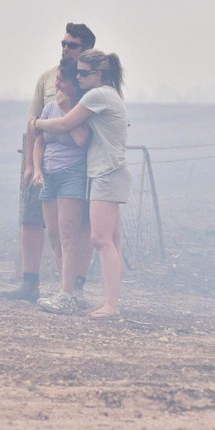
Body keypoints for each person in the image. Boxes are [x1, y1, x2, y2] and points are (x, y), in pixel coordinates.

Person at [1, 23, 96, 303]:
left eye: (73, 45)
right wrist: (31, 166)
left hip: (79, 166)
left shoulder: (95, 84)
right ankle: (31, 284)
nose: (66, 49)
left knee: (80, 227)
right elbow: (34, 125)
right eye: (63, 44)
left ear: (86, 49)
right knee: (34, 220)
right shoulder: (46, 79)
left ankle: (74, 288)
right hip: (45, 161)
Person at [33, 49, 129, 319]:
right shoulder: (110, 95)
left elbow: (65, 124)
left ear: (98, 75)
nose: (79, 78)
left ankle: (110, 305)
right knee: (112, 241)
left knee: (100, 239)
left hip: (106, 172)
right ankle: (111, 302)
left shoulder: (98, 95)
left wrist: (36, 123)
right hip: (110, 170)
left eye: (83, 73)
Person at [32, 60, 94, 314]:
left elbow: (81, 139)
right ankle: (63, 289)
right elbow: (39, 143)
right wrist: (37, 169)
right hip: (49, 176)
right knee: (55, 236)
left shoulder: (81, 109)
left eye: (61, 80)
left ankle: (68, 294)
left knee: (69, 236)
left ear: (72, 84)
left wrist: (67, 110)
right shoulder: (48, 108)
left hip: (71, 175)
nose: (56, 84)